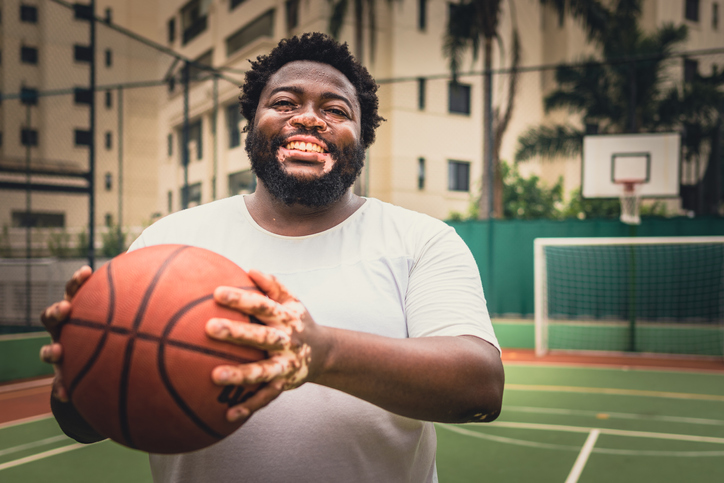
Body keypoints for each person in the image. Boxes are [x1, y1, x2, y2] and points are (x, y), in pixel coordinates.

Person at [40, 32, 504, 483]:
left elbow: (480, 387)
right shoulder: (170, 240)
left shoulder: (421, 239)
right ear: (251, 123)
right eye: (285, 103)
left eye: (336, 110)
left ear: (361, 138)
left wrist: (322, 354)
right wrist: (81, 371)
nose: (308, 119)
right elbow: (81, 426)